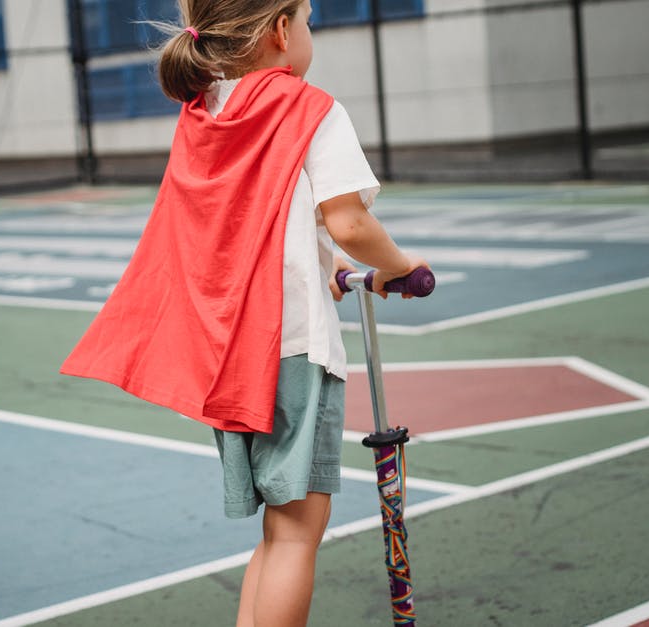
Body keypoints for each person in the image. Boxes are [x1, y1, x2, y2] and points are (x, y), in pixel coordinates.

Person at [61, 0, 428, 623]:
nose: (310, 34)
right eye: (308, 20)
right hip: (289, 351)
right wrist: (398, 266)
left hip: (229, 349)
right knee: (296, 532)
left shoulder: (204, 112)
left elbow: (251, 222)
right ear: (282, 31)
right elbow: (351, 221)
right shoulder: (310, 108)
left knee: (276, 533)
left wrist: (325, 269)